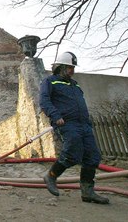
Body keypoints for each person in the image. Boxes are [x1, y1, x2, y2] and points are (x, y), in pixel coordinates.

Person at [39, 52, 109, 204]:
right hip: (67, 123)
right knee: (72, 152)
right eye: (70, 67)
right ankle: (51, 175)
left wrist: (87, 122)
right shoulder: (50, 81)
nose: (72, 70)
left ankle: (87, 192)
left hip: (84, 124)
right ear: (60, 67)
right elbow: (44, 101)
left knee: (92, 157)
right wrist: (56, 116)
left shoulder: (74, 84)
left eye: (73, 67)